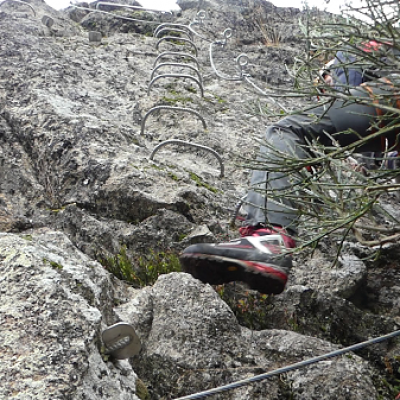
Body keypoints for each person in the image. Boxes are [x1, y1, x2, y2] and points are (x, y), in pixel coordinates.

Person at [179, 44, 400, 295]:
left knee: (290, 131)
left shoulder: (349, 54)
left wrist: (336, 81)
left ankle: (268, 235)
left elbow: (349, 96)